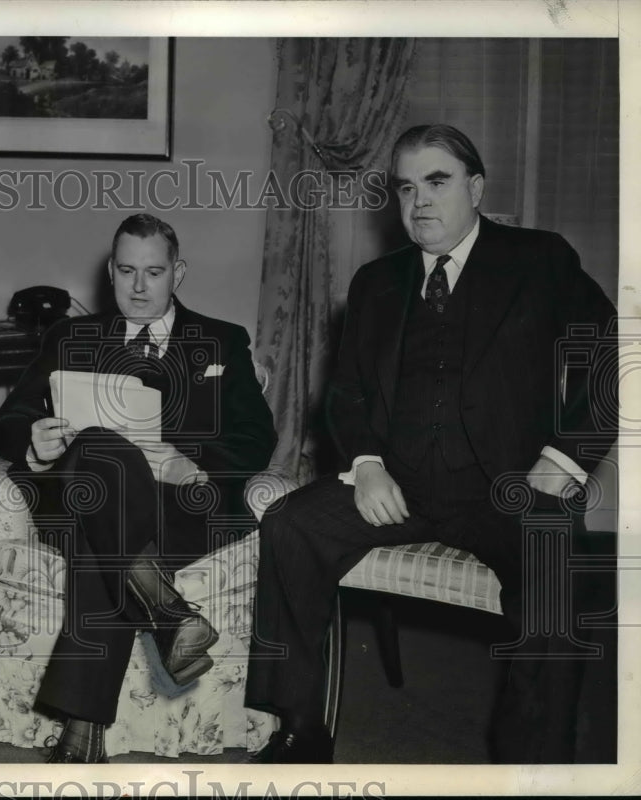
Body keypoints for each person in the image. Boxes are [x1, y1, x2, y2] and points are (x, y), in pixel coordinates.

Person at [244, 124, 618, 763]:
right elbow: (348, 391)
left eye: (437, 182)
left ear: (475, 188)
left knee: (557, 572)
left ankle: (533, 763)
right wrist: (365, 464)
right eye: (406, 187)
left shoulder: (538, 260)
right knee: (289, 525)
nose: (419, 202)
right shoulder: (376, 282)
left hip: (511, 488)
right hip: (405, 484)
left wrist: (562, 459)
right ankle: (299, 728)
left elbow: (613, 356)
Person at [0, 213, 277, 763]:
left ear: (178, 273)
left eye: (154, 272)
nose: (138, 287)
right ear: (111, 272)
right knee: (100, 448)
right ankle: (171, 615)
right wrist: (34, 438)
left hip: (178, 509)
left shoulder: (221, 340)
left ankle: (81, 730)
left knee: (103, 544)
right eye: (126, 271)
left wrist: (189, 459)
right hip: (81, 497)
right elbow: (8, 416)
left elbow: (257, 436)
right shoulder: (71, 335)